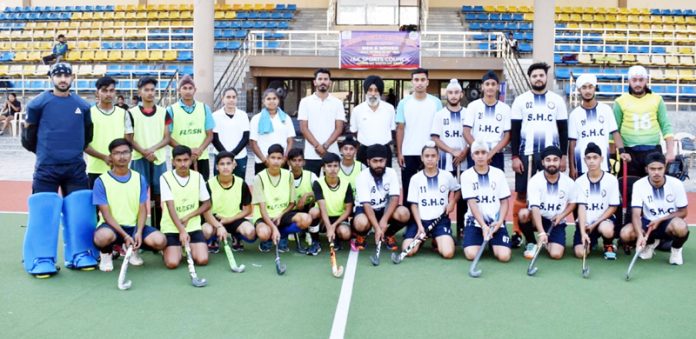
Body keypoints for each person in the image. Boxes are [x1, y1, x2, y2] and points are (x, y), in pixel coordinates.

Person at [510, 62, 568, 249]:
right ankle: (518, 232)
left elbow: (563, 129)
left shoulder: (557, 100)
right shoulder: (521, 100)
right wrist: (514, 156)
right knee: (522, 193)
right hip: (526, 154)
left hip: (551, 156)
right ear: (530, 78)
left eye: (541, 75)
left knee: (547, 192)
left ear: (546, 77)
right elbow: (515, 130)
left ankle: (547, 228)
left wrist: (564, 156)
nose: (538, 78)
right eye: (534, 76)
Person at [92, 138, 167, 272]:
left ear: (131, 155)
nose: (122, 156)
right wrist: (125, 235)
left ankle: (132, 249)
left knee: (160, 241)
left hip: (133, 227)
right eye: (117, 153)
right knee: (102, 237)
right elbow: (106, 214)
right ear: (110, 156)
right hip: (111, 227)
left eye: (125, 152)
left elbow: (142, 209)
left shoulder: (139, 178)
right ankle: (106, 254)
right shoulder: (101, 181)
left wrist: (138, 232)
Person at [22, 62, 92, 194]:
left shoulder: (83, 106)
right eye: (58, 75)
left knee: (77, 213)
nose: (63, 79)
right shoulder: (36, 105)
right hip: (46, 169)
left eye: (67, 75)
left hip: (75, 168)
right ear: (51, 78)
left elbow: (88, 136)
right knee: (45, 212)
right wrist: (46, 153)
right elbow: (28, 138)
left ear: (73, 78)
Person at [619, 152, 689, 265]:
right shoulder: (639, 185)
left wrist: (660, 219)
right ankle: (650, 243)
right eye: (652, 169)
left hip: (668, 222)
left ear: (665, 168)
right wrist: (640, 236)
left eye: (660, 168)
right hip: (648, 223)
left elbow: (683, 212)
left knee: (680, 227)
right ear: (646, 169)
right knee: (625, 234)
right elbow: (636, 214)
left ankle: (676, 249)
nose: (656, 172)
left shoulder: (676, 184)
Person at [159, 145, 219, 269]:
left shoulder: (198, 177)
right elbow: (170, 207)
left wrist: (189, 216)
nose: (182, 164)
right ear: (173, 161)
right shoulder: (165, 177)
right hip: (171, 226)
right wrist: (181, 230)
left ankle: (185, 247)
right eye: (179, 160)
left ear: (191, 160)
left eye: (186, 160)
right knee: (172, 263)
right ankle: (170, 249)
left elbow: (207, 203)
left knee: (202, 260)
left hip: (192, 225)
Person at [125, 77, 170, 229]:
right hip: (139, 158)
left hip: (158, 159)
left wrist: (151, 150)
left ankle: (158, 229)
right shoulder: (131, 113)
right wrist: (144, 152)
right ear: (140, 92)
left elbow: (167, 137)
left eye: (152, 90)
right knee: (139, 196)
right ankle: (138, 230)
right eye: (146, 90)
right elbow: (128, 138)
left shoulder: (164, 112)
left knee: (158, 196)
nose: (150, 93)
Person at [613, 65, 675, 177]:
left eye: (641, 80)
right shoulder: (620, 101)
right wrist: (615, 154)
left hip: (653, 150)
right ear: (629, 81)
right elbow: (614, 130)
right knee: (629, 188)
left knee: (654, 186)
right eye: (634, 80)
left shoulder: (657, 99)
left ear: (646, 80)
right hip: (629, 152)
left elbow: (666, 126)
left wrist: (670, 151)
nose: (637, 84)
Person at [518, 146, 576, 260]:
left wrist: (562, 215)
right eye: (548, 160)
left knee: (556, 254)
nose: (552, 163)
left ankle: (546, 243)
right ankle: (531, 242)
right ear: (543, 162)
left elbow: (573, 203)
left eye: (555, 159)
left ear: (560, 161)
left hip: (556, 221)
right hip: (538, 217)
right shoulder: (535, 181)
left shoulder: (568, 182)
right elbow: (534, 207)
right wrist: (541, 232)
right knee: (523, 214)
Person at [253, 144, 312, 253]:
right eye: (273, 158)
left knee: (306, 219)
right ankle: (268, 238)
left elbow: (292, 203)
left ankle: (282, 235)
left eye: (279, 158)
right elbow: (262, 209)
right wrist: (273, 227)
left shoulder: (288, 175)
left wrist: (280, 215)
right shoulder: (258, 178)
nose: (276, 161)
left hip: (282, 214)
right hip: (264, 215)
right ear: (267, 158)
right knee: (263, 233)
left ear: (283, 160)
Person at [404, 142, 459, 259]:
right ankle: (422, 238)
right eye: (427, 156)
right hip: (420, 222)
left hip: (439, 221)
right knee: (408, 251)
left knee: (448, 253)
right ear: (422, 158)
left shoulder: (447, 176)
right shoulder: (415, 178)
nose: (430, 159)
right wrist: (420, 226)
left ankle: (435, 239)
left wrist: (452, 202)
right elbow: (413, 205)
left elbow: (458, 190)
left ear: (438, 158)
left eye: (433, 156)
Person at [568, 73, 628, 179]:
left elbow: (615, 133)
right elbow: (572, 143)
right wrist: (572, 167)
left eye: (590, 87)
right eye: (584, 87)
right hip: (582, 165)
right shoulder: (574, 114)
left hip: (603, 163)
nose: (587, 91)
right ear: (579, 90)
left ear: (594, 88)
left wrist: (622, 151)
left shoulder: (606, 110)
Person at [461, 140, 512, 262]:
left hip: (495, 223)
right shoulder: (466, 175)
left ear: (488, 154)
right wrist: (483, 226)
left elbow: (504, 201)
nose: (480, 156)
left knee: (504, 257)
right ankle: (482, 241)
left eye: (483, 152)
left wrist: (500, 221)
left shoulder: (498, 174)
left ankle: (492, 242)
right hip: (475, 223)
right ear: (472, 156)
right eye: (477, 153)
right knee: (471, 255)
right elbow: (472, 204)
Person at [353, 144, 410, 251]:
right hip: (366, 210)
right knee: (361, 223)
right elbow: (366, 205)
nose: (379, 164)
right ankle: (362, 235)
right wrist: (376, 228)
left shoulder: (391, 173)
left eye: (381, 161)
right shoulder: (362, 177)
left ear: (386, 160)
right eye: (375, 161)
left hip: (384, 208)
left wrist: (384, 221)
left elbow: (394, 199)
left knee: (404, 213)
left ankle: (388, 235)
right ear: (368, 161)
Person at [396, 68, 443, 198]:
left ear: (427, 82)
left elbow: (439, 129)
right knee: (408, 189)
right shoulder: (403, 103)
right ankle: (409, 218)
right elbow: (400, 128)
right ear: (412, 82)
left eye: (423, 79)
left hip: (430, 153)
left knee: (429, 189)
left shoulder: (436, 103)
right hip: (409, 152)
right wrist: (400, 152)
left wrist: (438, 151)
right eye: (416, 80)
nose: (419, 83)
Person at [431, 78, 467, 238]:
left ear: (461, 94)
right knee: (443, 196)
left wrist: (464, 152)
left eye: (456, 92)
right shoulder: (440, 115)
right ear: (446, 95)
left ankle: (462, 229)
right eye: (450, 93)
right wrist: (452, 151)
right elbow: (435, 138)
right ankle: (441, 228)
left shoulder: (468, 113)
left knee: (463, 197)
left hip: (465, 162)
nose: (453, 95)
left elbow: (472, 136)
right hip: (445, 162)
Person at [573, 142, 620, 260]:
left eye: (595, 157)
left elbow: (613, 207)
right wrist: (584, 230)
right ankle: (591, 241)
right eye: (588, 158)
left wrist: (595, 224)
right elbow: (581, 207)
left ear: (602, 159)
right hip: (586, 223)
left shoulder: (611, 180)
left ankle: (608, 244)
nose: (592, 161)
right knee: (580, 253)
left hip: (603, 221)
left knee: (607, 230)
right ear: (584, 160)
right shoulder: (579, 181)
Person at [203, 151, 255, 252]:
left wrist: (230, 219)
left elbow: (248, 210)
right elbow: (206, 212)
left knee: (251, 233)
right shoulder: (209, 184)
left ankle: (236, 235)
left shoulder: (241, 183)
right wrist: (218, 225)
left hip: (235, 218)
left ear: (234, 165)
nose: (225, 167)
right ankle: (214, 238)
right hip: (215, 219)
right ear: (217, 167)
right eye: (222, 164)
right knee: (206, 231)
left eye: (228, 163)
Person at [298, 68, 346, 175]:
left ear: (330, 82)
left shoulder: (337, 103)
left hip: (331, 153)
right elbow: (303, 128)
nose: (323, 81)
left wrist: (325, 146)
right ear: (315, 82)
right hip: (311, 154)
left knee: (331, 186)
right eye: (320, 79)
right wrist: (317, 146)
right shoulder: (305, 102)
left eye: (325, 79)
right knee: (310, 187)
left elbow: (339, 128)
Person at [167, 75, 215, 181]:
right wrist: (187, 151)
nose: (187, 91)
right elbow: (167, 137)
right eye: (184, 88)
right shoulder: (171, 110)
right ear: (179, 90)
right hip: (180, 158)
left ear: (195, 90)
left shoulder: (204, 108)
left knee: (202, 188)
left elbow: (210, 135)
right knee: (181, 187)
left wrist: (200, 150)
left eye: (190, 88)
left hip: (201, 156)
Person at [84, 76, 127, 188]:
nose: (108, 94)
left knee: (118, 204)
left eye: (111, 90)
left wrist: (119, 158)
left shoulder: (123, 114)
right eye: (104, 90)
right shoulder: (88, 114)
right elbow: (83, 144)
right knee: (97, 205)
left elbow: (128, 140)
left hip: (119, 168)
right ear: (97, 93)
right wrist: (104, 157)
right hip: (95, 169)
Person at [463, 70, 511, 171]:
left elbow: (507, 136)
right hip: (476, 154)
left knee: (496, 185)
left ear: (497, 87)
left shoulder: (505, 108)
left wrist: (491, 153)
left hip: (496, 155)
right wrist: (481, 151)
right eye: (487, 84)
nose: (490, 87)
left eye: (493, 84)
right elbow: (466, 132)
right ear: (482, 87)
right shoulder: (473, 106)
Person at [349, 75, 396, 166]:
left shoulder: (389, 109)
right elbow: (354, 131)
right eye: (370, 90)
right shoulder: (357, 110)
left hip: (384, 152)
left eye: (376, 90)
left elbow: (392, 129)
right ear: (366, 91)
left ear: (380, 92)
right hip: (364, 152)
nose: (373, 94)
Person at [249, 88, 296, 174]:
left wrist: (284, 158)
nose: (272, 101)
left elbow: (290, 141)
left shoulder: (286, 118)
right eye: (268, 99)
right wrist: (265, 160)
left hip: (281, 162)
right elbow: (253, 143)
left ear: (278, 100)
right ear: (264, 101)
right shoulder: (256, 119)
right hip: (262, 161)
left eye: (274, 98)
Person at [313, 153, 354, 250]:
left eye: (335, 166)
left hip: (339, 218)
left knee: (345, 233)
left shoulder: (346, 183)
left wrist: (333, 226)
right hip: (323, 218)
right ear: (323, 168)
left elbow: (348, 209)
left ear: (339, 167)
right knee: (314, 212)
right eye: (329, 166)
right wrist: (328, 226)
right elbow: (322, 208)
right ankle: (315, 242)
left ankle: (336, 238)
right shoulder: (318, 183)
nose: (332, 169)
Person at [287, 147, 321, 255]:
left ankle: (311, 235)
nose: (297, 163)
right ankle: (291, 232)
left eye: (300, 160)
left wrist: (307, 195)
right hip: (290, 209)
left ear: (304, 162)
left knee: (314, 210)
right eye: (294, 160)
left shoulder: (311, 175)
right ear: (289, 162)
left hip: (307, 208)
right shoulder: (284, 176)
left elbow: (321, 192)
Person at [212, 88, 249, 179]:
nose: (231, 99)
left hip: (240, 156)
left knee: (239, 185)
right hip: (220, 155)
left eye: (234, 97)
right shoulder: (215, 115)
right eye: (228, 97)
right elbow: (215, 139)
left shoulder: (243, 115)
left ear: (237, 99)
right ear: (223, 98)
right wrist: (227, 156)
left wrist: (232, 155)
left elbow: (245, 138)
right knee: (219, 184)